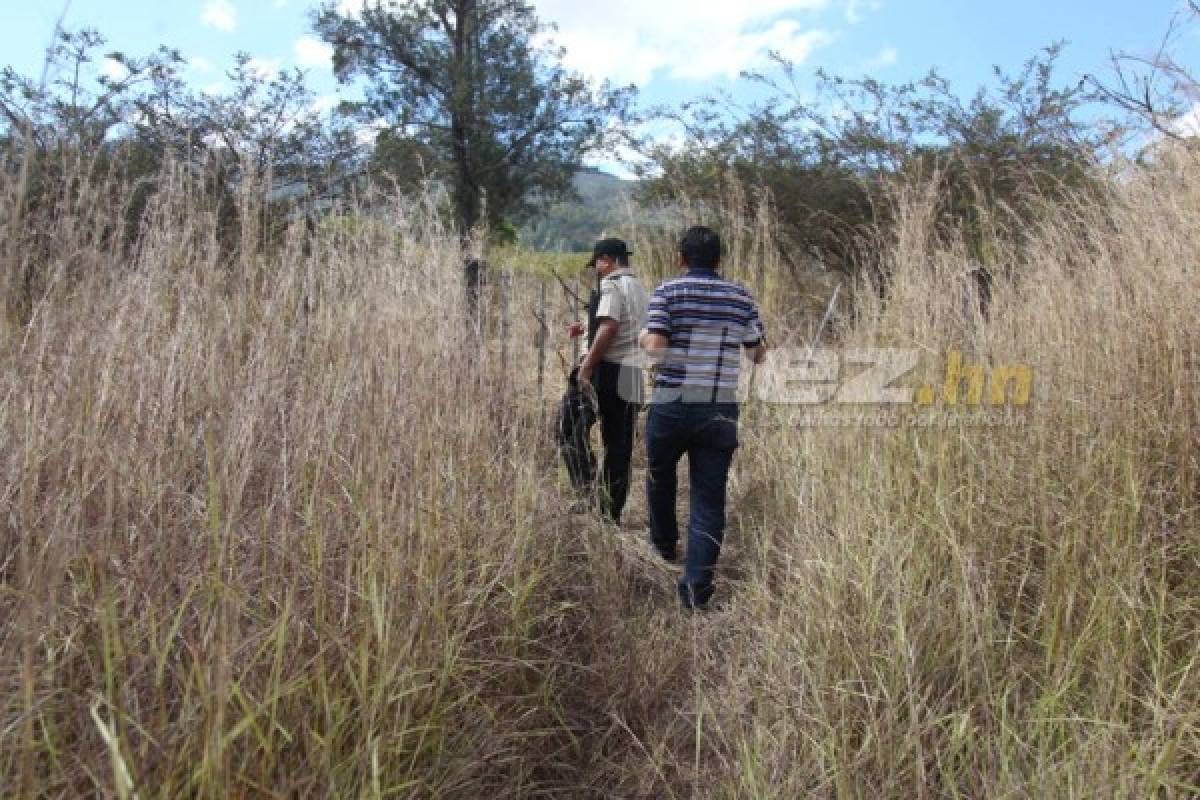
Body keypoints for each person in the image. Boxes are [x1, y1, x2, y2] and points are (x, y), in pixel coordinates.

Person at [638, 226, 767, 610]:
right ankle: (696, 591)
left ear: (681, 257)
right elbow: (758, 354)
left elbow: (657, 350)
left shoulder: (667, 292)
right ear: (719, 259)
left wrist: (645, 336)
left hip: (673, 402)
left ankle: (663, 544)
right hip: (719, 408)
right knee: (709, 499)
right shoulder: (741, 296)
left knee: (659, 475)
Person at [566, 237, 649, 524]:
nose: (597, 270)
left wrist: (587, 367)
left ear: (607, 260)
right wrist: (587, 329)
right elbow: (621, 325)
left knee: (568, 429)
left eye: (598, 264)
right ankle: (609, 512)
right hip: (632, 373)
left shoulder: (611, 284)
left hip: (607, 371)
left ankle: (588, 491)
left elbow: (610, 327)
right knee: (619, 446)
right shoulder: (639, 287)